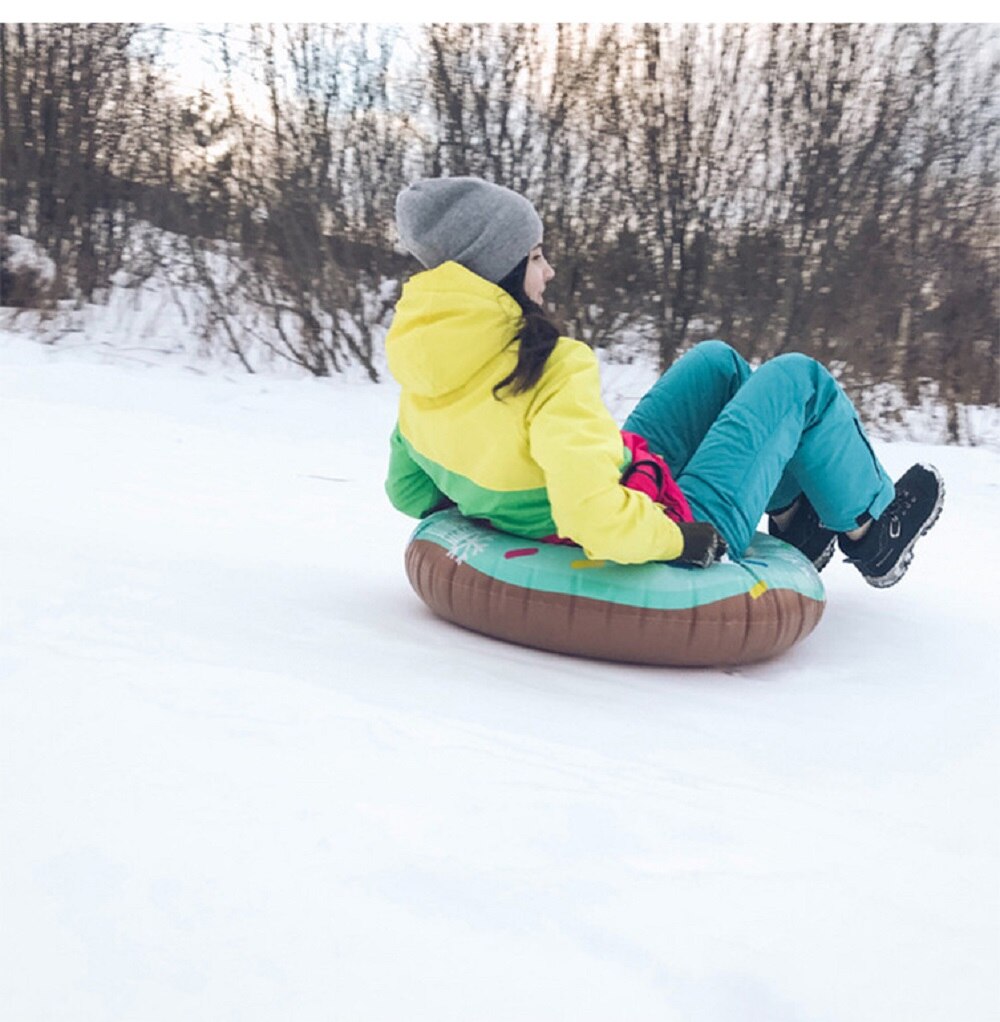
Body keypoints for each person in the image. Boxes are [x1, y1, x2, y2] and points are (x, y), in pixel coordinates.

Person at [384, 176, 944, 587]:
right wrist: (681, 537)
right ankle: (872, 532)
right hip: (668, 523)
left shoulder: (425, 376)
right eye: (535, 256)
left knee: (718, 364)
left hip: (621, 482)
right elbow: (591, 517)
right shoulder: (552, 365)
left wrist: (495, 496)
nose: (549, 270)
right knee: (799, 379)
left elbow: (408, 492)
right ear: (499, 270)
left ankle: (797, 515)